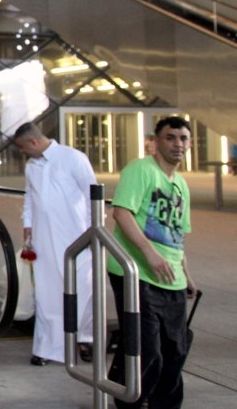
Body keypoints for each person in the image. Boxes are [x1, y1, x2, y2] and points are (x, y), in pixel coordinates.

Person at [107, 117, 196, 409]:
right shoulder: (141, 170)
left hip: (171, 277)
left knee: (175, 352)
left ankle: (163, 405)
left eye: (183, 138)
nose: (178, 144)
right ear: (155, 142)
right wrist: (149, 254)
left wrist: (186, 273)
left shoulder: (181, 183)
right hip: (136, 272)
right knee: (148, 351)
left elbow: (176, 233)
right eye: (170, 138)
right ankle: (130, 401)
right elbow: (121, 213)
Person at [14, 122, 95, 367]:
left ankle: (85, 338)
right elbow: (29, 196)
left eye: (22, 147)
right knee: (47, 293)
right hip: (43, 240)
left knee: (82, 288)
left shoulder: (73, 158)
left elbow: (94, 196)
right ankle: (47, 348)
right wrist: (27, 223)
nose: (22, 152)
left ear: (34, 142)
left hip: (75, 237)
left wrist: (94, 234)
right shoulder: (31, 166)